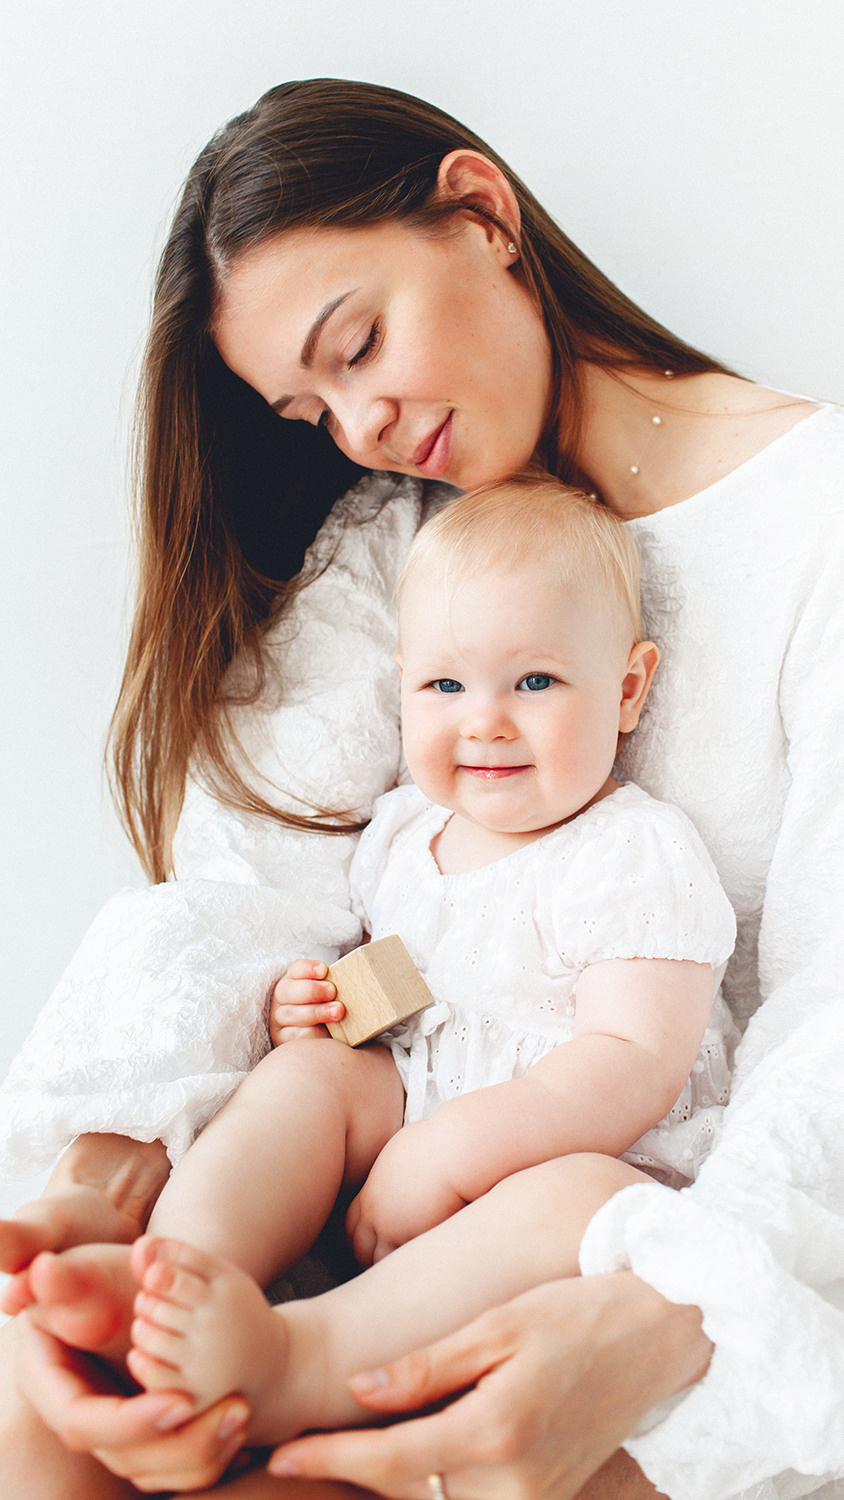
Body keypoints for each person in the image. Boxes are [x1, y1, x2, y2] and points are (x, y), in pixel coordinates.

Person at [0, 75, 841, 1500]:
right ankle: (180, 1305)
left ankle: (294, 1353)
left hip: (658, 1224)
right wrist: (92, 1187)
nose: (362, 425)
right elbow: (250, 888)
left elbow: (830, 1014)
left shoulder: (813, 520)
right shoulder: (398, 542)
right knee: (41, 1412)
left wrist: (672, 1304)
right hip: (385, 1178)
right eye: (308, 406)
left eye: (360, 344)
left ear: (483, 214)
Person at [3, 479, 736, 1444]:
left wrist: (453, 1151)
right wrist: (318, 1010)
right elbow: (398, 989)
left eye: (536, 682)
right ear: (402, 685)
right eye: (445, 686)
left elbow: (634, 1060)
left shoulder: (634, 853)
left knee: (586, 1200)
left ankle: (302, 1357)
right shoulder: (403, 834)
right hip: (408, 1122)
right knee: (311, 1075)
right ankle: (182, 1269)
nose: (484, 721)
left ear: (629, 689)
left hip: (568, 1161)